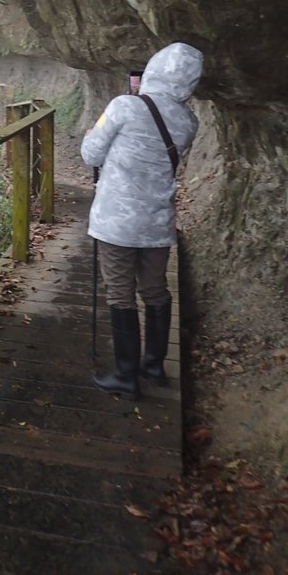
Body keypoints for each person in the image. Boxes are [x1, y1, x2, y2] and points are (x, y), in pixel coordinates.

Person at [81, 42, 204, 400]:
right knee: (155, 291)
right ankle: (153, 365)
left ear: (153, 70)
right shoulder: (189, 121)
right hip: (157, 222)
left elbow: (92, 153)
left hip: (116, 222)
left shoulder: (124, 106)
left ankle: (125, 375)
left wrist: (90, 137)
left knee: (120, 293)